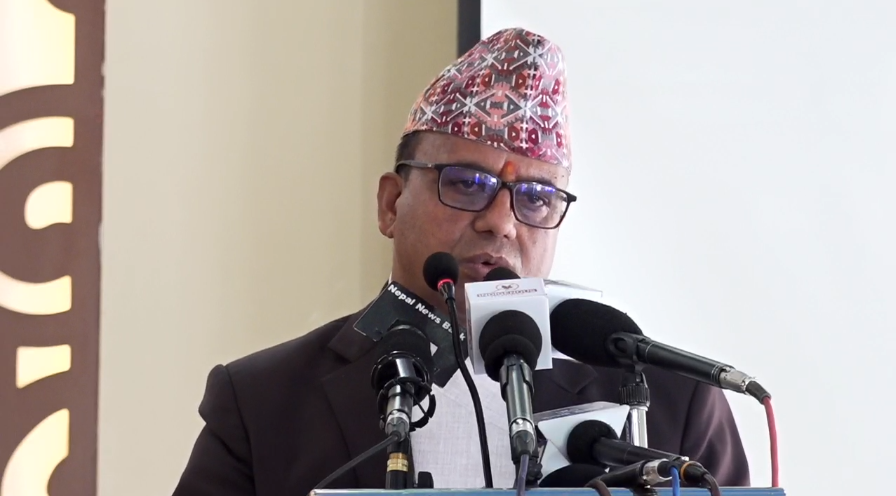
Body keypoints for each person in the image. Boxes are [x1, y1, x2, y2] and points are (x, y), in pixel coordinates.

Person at [171, 27, 750, 496]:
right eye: (467, 184)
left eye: (535, 198)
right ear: (391, 204)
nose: (501, 222)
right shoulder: (262, 402)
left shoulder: (672, 401)